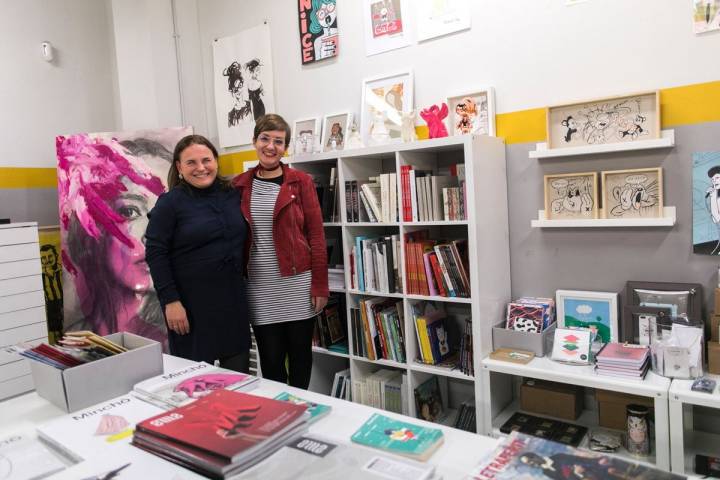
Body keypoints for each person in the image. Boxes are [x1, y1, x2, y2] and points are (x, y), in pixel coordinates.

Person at [232, 113, 328, 388]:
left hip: (298, 284)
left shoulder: (301, 181)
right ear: (254, 141)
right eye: (265, 139)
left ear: (285, 147)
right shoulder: (238, 185)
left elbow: (317, 236)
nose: (271, 146)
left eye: (278, 141)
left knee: (300, 358)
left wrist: (320, 285)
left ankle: (300, 410)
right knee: (271, 362)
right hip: (259, 287)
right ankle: (279, 417)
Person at [57, 134, 176, 347]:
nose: (151, 233)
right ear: (95, 227)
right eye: (130, 211)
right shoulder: (77, 338)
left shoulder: (177, 336)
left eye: (166, 211)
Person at [145, 134, 251, 372]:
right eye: (191, 162)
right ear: (179, 167)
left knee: (239, 384)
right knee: (194, 385)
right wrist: (171, 301)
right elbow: (155, 253)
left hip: (233, 304)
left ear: (216, 161)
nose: (201, 168)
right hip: (189, 310)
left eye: (206, 160)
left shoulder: (233, 195)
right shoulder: (170, 204)